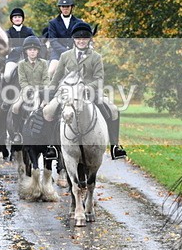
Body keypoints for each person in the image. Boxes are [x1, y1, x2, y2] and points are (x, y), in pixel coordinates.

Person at [43, 22, 127, 160]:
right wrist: (49, 96)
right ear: (74, 40)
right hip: (67, 93)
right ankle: (51, 147)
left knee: (113, 110)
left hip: (90, 92)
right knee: (48, 111)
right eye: (78, 39)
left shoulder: (96, 57)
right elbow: (56, 78)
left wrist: (87, 88)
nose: (81, 41)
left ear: (89, 40)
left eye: (84, 39)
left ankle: (115, 147)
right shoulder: (65, 56)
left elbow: (99, 79)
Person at [7, 35, 48, 143]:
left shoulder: (44, 63)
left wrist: (43, 90)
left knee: (49, 109)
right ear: (26, 51)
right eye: (30, 50)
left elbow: (46, 79)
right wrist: (28, 88)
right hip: (26, 90)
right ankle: (17, 132)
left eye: (34, 50)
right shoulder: (21, 64)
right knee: (15, 107)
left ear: (38, 51)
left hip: (42, 91)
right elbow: (22, 80)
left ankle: (50, 136)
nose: (32, 52)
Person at [43, 0, 86, 77]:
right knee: (50, 72)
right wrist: (65, 51)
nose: (65, 9)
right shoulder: (53, 23)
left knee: (87, 72)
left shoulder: (79, 22)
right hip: (57, 54)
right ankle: (48, 89)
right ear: (60, 8)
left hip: (75, 53)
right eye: (63, 6)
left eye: (67, 6)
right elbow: (53, 41)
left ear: (71, 7)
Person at [3, 7, 36, 82]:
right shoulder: (8, 32)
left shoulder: (29, 31)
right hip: (13, 59)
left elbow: (35, 43)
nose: (17, 19)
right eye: (15, 17)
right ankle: (5, 92)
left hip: (28, 59)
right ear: (12, 19)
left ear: (22, 19)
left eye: (19, 17)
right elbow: (6, 47)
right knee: (7, 75)